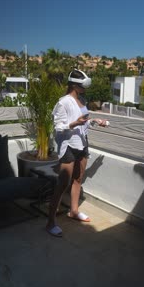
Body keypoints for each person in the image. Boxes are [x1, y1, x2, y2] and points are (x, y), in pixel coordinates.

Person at [46, 69, 108, 237]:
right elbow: (58, 127)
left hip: (82, 143)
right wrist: (73, 123)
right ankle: (50, 221)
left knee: (78, 178)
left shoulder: (82, 99)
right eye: (82, 86)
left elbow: (84, 123)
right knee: (62, 183)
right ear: (74, 85)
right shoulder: (63, 102)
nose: (85, 89)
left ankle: (73, 211)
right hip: (68, 145)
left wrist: (95, 121)